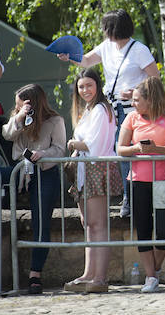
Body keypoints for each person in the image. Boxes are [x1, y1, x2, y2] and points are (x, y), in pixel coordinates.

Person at [58, 8, 159, 216]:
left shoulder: (139, 50)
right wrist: (69, 56)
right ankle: (126, 198)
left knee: (131, 151)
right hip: (112, 108)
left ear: (112, 28)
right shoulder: (106, 47)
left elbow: (155, 79)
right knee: (117, 151)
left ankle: (135, 198)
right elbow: (85, 61)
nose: (104, 31)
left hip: (135, 109)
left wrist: (136, 92)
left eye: (106, 27)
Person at [117, 77, 165, 293]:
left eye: (137, 100)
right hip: (138, 181)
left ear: (150, 99)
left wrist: (156, 149)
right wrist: (137, 148)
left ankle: (153, 268)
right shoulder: (131, 118)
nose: (134, 104)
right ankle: (151, 276)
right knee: (143, 229)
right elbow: (120, 149)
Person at [1, 84, 66, 294]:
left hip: (44, 172)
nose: (19, 107)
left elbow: (59, 149)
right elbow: (7, 134)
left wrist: (43, 153)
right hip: (20, 171)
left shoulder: (55, 120)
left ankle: (35, 274)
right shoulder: (18, 118)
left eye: (24, 104)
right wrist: (19, 116)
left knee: (41, 223)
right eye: (18, 104)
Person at [64, 69, 120, 294]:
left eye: (89, 85)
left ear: (97, 86)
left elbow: (92, 143)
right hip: (85, 168)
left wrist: (72, 144)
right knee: (89, 224)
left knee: (98, 224)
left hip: (97, 166)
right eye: (81, 86)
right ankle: (89, 273)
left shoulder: (100, 109)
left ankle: (100, 277)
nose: (85, 90)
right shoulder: (87, 110)